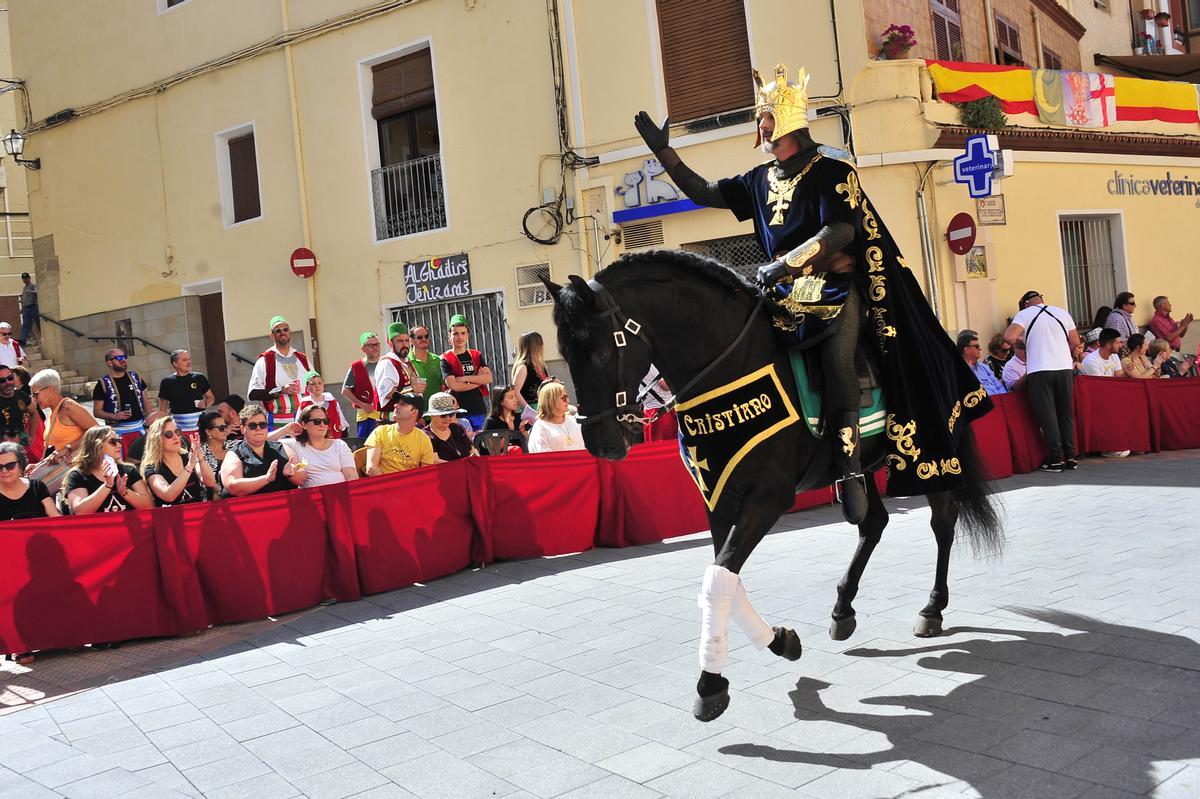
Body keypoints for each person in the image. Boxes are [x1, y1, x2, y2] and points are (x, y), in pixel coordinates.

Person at [635, 64, 989, 522]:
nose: (761, 127)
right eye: (760, 118)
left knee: (837, 359)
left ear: (787, 121)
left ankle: (851, 469)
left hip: (834, 288)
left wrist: (785, 264)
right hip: (781, 294)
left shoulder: (832, 169)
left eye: (765, 118)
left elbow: (841, 230)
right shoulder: (759, 179)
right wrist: (663, 151)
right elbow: (703, 192)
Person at [1004, 291, 1081, 472]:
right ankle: (1070, 457)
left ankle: (1056, 459)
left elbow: (1009, 337)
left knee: (1048, 416)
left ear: (1025, 304)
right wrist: (1061, 353)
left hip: (1039, 369)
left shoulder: (1024, 314)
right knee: (1066, 413)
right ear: (1041, 299)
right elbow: (1075, 341)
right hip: (1064, 368)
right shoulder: (1062, 312)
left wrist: (1026, 341)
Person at [220, 403, 306, 497]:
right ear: (242, 429)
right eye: (253, 426)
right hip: (253, 504)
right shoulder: (235, 453)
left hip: (285, 502)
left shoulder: (283, 448)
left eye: (262, 425)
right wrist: (266, 479)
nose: (258, 429)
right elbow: (232, 486)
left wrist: (291, 474)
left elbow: (302, 479)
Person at [64, 426, 154, 513]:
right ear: (97, 445)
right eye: (113, 442)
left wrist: (125, 492)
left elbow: (149, 505)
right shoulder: (78, 475)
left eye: (119, 440)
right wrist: (107, 486)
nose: (119, 445)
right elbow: (80, 511)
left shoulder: (129, 470)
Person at [248, 315, 310, 431]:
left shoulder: (302, 358)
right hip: (279, 422)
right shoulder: (265, 360)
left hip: (305, 419)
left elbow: (315, 383)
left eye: (285, 329)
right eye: (278, 331)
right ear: (272, 336)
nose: (282, 333)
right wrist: (281, 390)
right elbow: (253, 394)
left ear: (290, 333)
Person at [29, 368, 97, 473]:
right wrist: (39, 466)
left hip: (84, 469)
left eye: (36, 394)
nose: (34, 399)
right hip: (71, 470)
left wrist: (69, 447)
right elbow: (59, 450)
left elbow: (97, 430)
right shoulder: (54, 412)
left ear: (51, 389)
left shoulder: (68, 406)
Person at [92, 347, 157, 453]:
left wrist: (151, 425)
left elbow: (146, 402)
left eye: (124, 357)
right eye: (119, 358)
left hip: (140, 429)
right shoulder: (102, 384)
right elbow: (97, 411)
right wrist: (114, 416)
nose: (123, 360)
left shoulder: (136, 377)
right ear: (109, 363)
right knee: (124, 462)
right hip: (118, 433)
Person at [141, 416, 214, 506]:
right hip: (173, 514)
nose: (175, 437)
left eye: (177, 432)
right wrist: (189, 466)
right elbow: (168, 495)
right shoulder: (152, 468)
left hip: (199, 511)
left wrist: (201, 458)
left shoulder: (188, 457)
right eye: (169, 434)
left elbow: (210, 482)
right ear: (157, 440)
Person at [441, 314, 492, 434]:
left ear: (468, 335)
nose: (460, 337)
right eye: (455, 333)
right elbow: (453, 385)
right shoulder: (446, 358)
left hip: (478, 409)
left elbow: (488, 378)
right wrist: (478, 381)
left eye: (463, 333)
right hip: (457, 412)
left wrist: (464, 378)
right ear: (449, 336)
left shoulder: (476, 355)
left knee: (480, 442)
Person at [364, 393, 434, 474]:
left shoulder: (424, 440)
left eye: (403, 404)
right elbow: (371, 469)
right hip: (382, 481)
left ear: (414, 412)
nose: (395, 405)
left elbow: (426, 474)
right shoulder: (380, 432)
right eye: (397, 402)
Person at [157, 349, 214, 445]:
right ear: (175, 364)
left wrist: (206, 403)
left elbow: (211, 397)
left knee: (202, 452)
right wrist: (164, 427)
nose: (188, 362)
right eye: (184, 360)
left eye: (189, 359)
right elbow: (163, 408)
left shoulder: (199, 377)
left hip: (200, 428)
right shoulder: (167, 382)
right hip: (179, 431)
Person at [292, 404, 357, 487]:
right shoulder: (295, 445)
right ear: (304, 424)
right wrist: (286, 430)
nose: (322, 425)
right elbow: (274, 442)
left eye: (325, 421)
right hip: (313, 494)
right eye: (317, 421)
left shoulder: (339, 445)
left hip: (341, 492)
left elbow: (351, 476)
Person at [376, 322, 423, 423]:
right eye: (400, 341)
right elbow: (387, 392)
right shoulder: (387, 363)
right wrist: (412, 389)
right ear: (390, 343)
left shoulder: (407, 362)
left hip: (410, 419)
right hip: (392, 421)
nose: (405, 345)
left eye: (406, 340)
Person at [0, 442, 58, 520]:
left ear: (21, 465)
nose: (4, 470)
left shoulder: (37, 487)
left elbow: (55, 517)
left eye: (10, 465)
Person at [342, 332, 384, 439]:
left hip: (385, 413)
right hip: (367, 415)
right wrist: (362, 404)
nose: (375, 347)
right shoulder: (357, 367)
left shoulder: (387, 363)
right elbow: (345, 391)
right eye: (371, 345)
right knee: (366, 444)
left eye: (376, 344)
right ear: (363, 349)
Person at [527, 379, 585, 454]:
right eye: (563, 398)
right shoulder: (540, 428)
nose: (568, 401)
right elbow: (542, 457)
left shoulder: (574, 421)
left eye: (567, 397)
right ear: (551, 400)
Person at [423, 391, 474, 462]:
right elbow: (435, 461)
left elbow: (472, 450)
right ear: (432, 415)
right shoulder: (426, 435)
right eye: (443, 415)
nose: (448, 418)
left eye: (451, 414)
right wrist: (459, 466)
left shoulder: (458, 428)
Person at [298, 371, 348, 439]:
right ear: (307, 387)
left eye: (320, 383)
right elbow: (299, 424)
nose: (317, 386)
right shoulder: (304, 404)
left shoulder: (332, 402)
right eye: (313, 384)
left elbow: (341, 421)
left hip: (334, 439)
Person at [510, 330, 548, 417]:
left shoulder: (540, 365)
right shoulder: (523, 367)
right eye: (541, 343)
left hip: (542, 409)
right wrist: (530, 411)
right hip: (531, 410)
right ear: (535, 346)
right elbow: (515, 391)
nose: (543, 346)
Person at [407, 324, 444, 412]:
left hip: (436, 412)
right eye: (419, 337)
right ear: (411, 341)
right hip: (415, 414)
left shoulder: (437, 360)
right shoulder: (406, 361)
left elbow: (442, 386)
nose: (424, 339)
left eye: (426, 336)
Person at [483, 385, 531, 450]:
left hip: (522, 455)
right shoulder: (491, 421)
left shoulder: (520, 417)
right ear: (501, 402)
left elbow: (529, 445)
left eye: (515, 397)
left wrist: (523, 431)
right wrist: (509, 431)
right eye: (511, 397)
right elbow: (493, 450)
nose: (515, 400)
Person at [198, 409, 231, 498]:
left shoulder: (233, 446)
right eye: (221, 428)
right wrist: (222, 492)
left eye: (225, 426)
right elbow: (202, 477)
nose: (225, 430)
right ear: (208, 432)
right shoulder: (199, 451)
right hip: (213, 497)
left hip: (234, 492)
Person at [640, 365, 678, 442]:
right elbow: (665, 386)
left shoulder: (639, 365)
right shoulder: (653, 365)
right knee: (669, 445)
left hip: (649, 411)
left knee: (654, 446)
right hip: (662, 412)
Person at [18, 272, 38, 346]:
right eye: (24, 279)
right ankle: (22, 341)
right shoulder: (24, 288)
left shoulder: (33, 286)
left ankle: (44, 336)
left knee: (39, 323)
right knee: (25, 325)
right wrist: (22, 308)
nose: (25, 280)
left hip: (34, 307)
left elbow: (37, 293)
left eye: (26, 278)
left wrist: (31, 292)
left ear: (29, 278)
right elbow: (24, 299)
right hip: (26, 309)